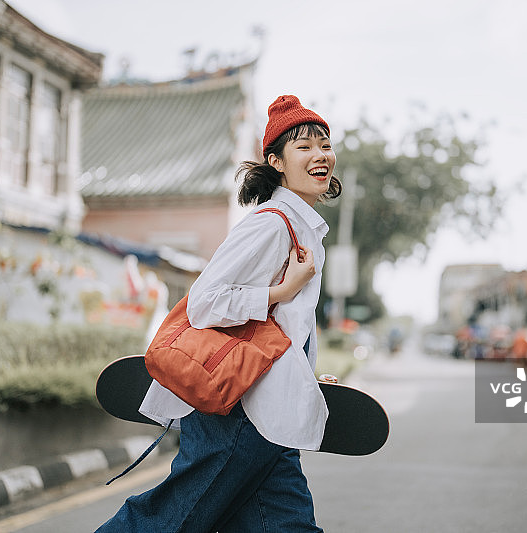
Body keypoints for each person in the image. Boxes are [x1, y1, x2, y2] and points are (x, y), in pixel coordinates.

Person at [97, 95, 341, 533]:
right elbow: (205, 302)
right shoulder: (271, 223)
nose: (320, 154)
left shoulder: (303, 228)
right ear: (276, 162)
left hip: (271, 416)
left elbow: (287, 328)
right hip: (239, 414)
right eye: (303, 147)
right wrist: (283, 288)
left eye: (324, 144)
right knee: (167, 521)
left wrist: (303, 373)